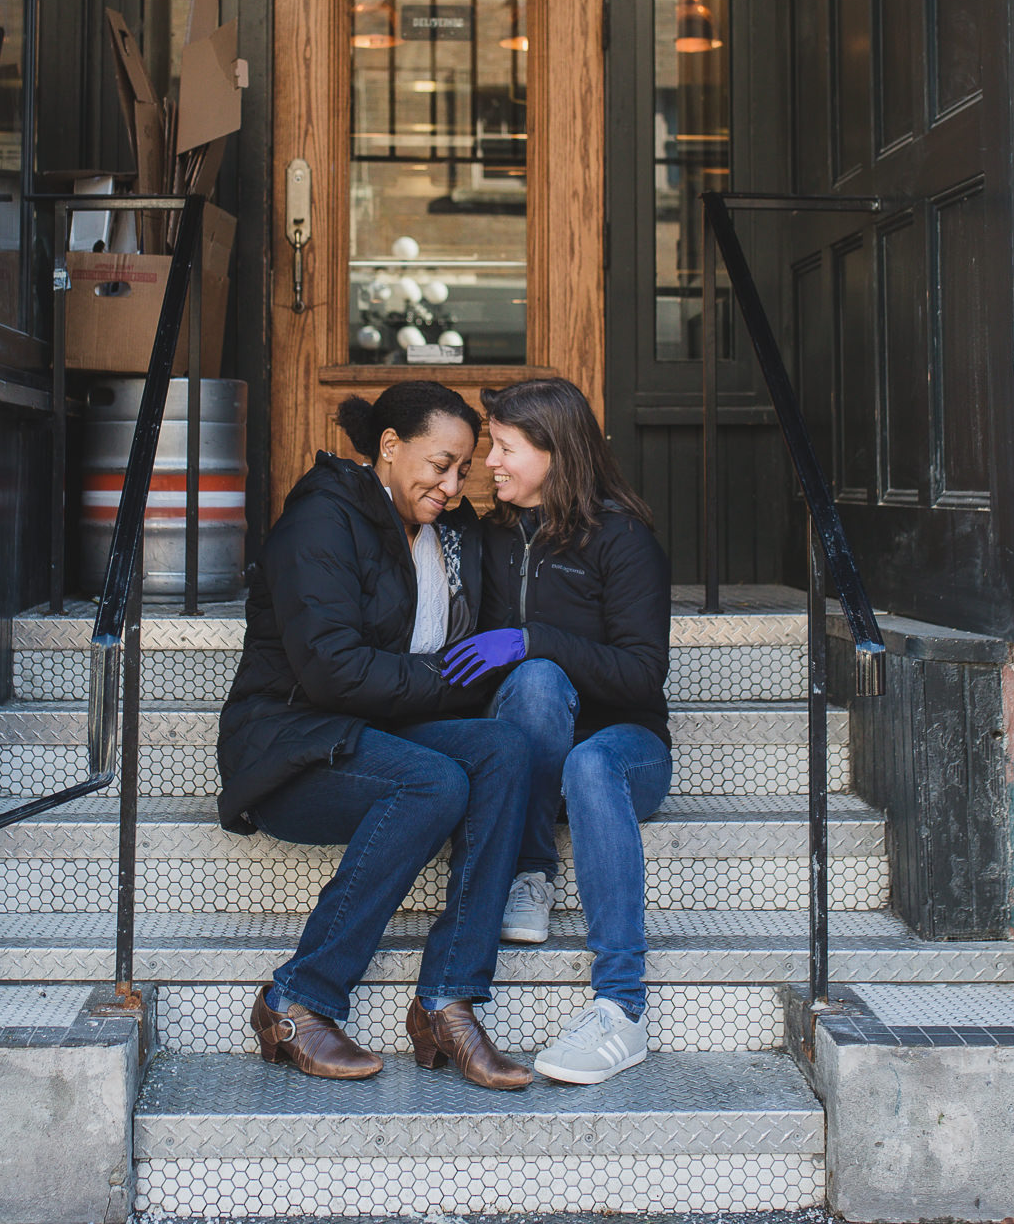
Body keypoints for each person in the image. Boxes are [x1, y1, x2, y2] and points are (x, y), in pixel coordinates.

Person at [216, 380, 532, 1090]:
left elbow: (475, 649)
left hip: (386, 734)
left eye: (463, 469)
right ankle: (297, 999)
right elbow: (334, 671)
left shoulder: (453, 531)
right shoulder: (322, 522)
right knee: (437, 780)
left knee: (506, 750)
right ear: (389, 448)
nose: (452, 485)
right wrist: (447, 682)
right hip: (293, 748)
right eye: (439, 464)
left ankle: (447, 1000)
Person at [442, 377, 672, 1085]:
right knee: (534, 685)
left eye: (506, 448)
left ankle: (621, 1010)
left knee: (587, 759)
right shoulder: (492, 535)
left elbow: (641, 675)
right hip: (525, 749)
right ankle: (531, 872)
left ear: (555, 451)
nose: (490, 463)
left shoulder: (622, 537)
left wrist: (534, 638)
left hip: (623, 750)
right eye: (491, 447)